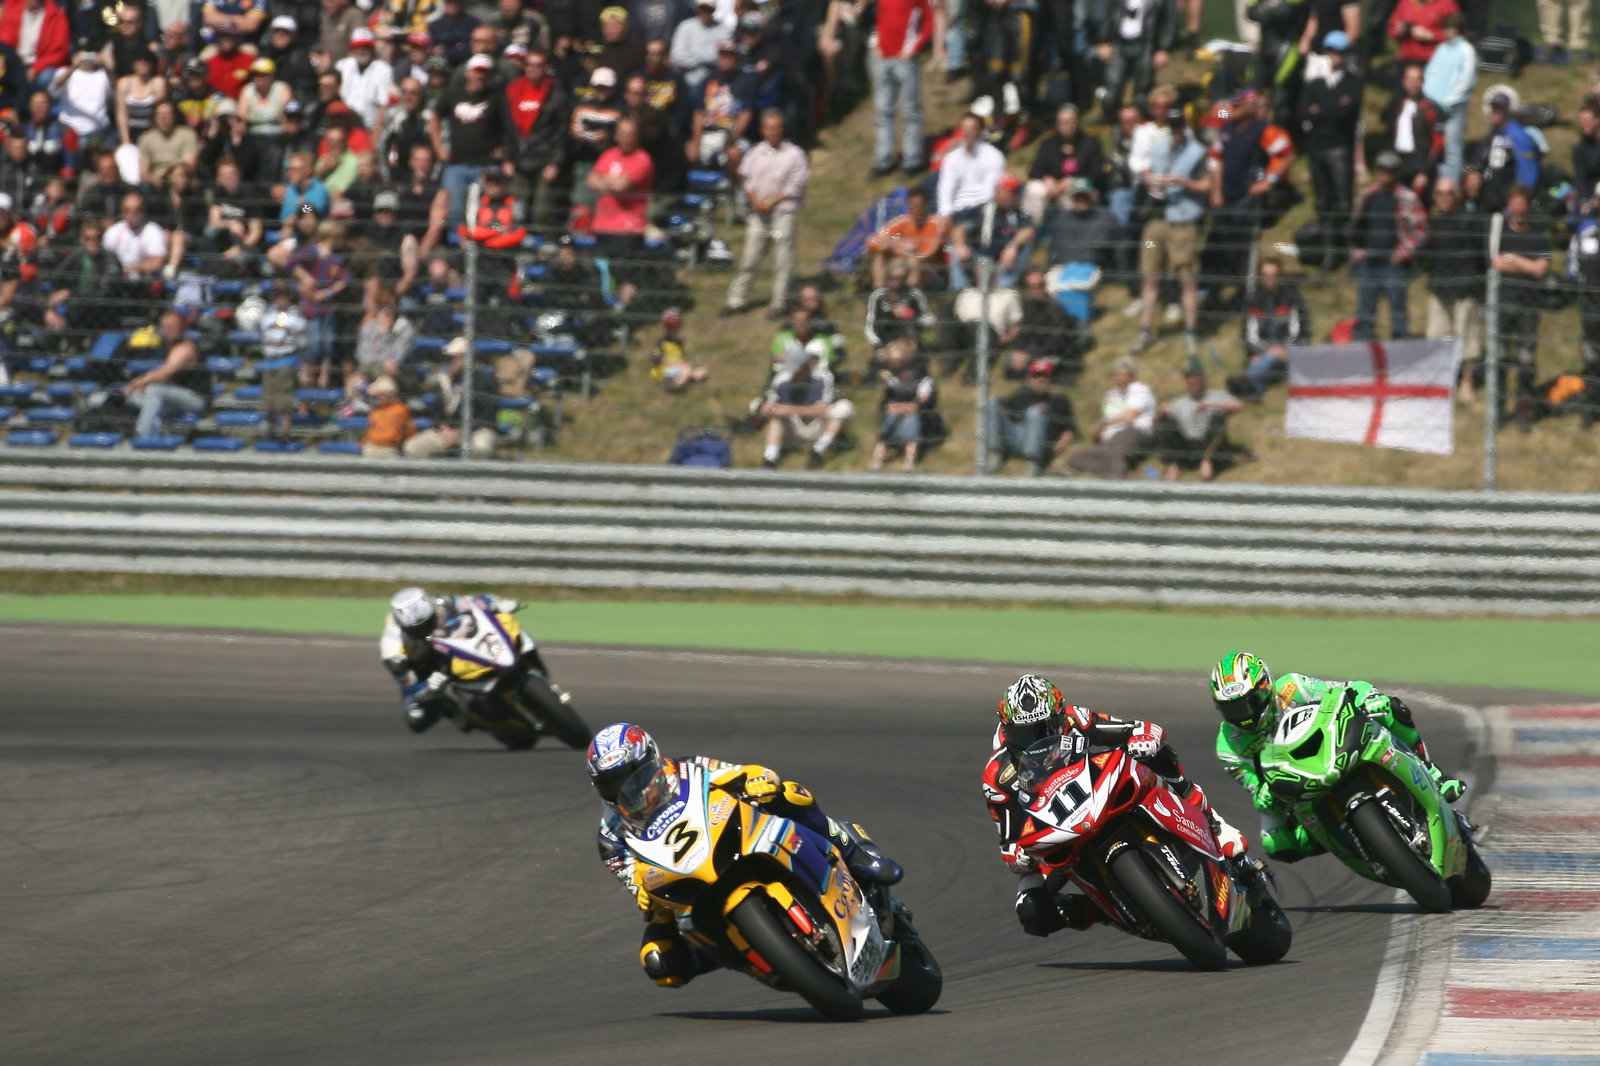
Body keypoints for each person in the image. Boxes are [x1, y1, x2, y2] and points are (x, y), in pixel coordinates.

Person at [587, 722, 902, 987]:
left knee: (791, 793)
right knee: (659, 962)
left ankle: (855, 853)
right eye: (611, 784)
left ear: (653, 760)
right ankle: (758, 955)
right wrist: (643, 892)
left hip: (728, 840)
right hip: (681, 883)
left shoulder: (686, 769)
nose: (627, 790)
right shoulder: (610, 838)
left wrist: (756, 780)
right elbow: (635, 882)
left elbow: (738, 773)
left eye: (634, 776)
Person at [982, 674, 1248, 938]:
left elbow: (1141, 729)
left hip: (1093, 793)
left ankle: (1213, 822)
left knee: (1158, 754)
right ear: (1005, 728)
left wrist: (1143, 739)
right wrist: (1017, 856)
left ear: (1059, 717)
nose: (1033, 741)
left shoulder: (1076, 720)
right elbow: (1009, 841)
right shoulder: (997, 777)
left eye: (1042, 729)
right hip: (1055, 830)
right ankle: (1106, 912)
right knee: (1032, 912)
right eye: (1022, 733)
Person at [1210, 650, 1465, 864]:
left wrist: (1369, 698)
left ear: (1266, 686)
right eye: (1233, 709)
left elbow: (1348, 688)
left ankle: (1432, 773)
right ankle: (1351, 841)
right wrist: (1262, 793)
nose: (1245, 715)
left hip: (1332, 745)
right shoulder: (1227, 744)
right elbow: (1253, 786)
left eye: (1251, 702)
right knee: (1277, 844)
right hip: (1289, 781)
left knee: (1391, 708)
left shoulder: (1292, 687)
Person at [380, 587, 533, 732]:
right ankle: (459, 714)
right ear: (403, 626)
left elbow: (471, 601)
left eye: (429, 622)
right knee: (416, 718)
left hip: (450, 646)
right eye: (418, 628)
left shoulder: (439, 603)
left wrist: (496, 602)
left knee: (501, 625)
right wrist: (428, 690)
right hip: (423, 667)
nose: (425, 629)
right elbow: (408, 682)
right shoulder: (393, 649)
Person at [1133, 106, 1208, 357]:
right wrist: (1150, 181)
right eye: (1171, 126)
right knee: (1149, 276)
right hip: (1156, 222)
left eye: (1178, 126)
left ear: (1184, 127)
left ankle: (1190, 333)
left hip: (1183, 223)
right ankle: (1144, 330)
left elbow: (1208, 184)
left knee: (1187, 278)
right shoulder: (1158, 149)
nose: (1175, 131)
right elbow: (1150, 175)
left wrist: (1184, 182)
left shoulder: (1198, 152)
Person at [721, 109, 808, 319]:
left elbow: (796, 184)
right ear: (762, 130)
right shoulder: (755, 153)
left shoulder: (795, 155)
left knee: (782, 258)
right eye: (769, 128)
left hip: (782, 215)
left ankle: (780, 303)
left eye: (776, 128)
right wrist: (755, 200)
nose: (773, 132)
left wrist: (773, 200)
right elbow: (746, 178)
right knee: (750, 257)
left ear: (782, 129)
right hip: (759, 216)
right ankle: (736, 300)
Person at [1297, 31, 1361, 268]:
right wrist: (1331, 109)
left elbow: (1346, 113)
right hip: (1317, 147)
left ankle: (1348, 250)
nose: (1336, 55)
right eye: (1332, 51)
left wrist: (1319, 111)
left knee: (1343, 202)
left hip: (1340, 147)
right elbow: (1302, 112)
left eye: (1341, 51)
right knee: (1323, 201)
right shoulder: (1316, 82)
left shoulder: (1353, 82)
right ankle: (1328, 250)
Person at [1348, 150, 1426, 342]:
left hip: (1394, 263)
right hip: (1368, 261)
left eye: (1389, 172)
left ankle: (1400, 344)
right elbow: (1354, 227)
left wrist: (1403, 252)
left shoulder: (1407, 198)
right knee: (1365, 310)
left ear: (1396, 174)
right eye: (1381, 171)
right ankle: (1363, 345)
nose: (1385, 176)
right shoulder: (1367, 195)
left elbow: (1420, 230)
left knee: (1398, 309)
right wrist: (1358, 253)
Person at [1420, 177, 1485, 403]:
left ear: (1457, 195)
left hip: (1466, 290)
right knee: (1435, 336)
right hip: (1439, 290)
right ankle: (1441, 381)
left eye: (1449, 193)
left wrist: (1476, 285)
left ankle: (1466, 382)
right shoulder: (1434, 223)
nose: (1444, 198)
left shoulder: (1471, 221)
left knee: (1467, 338)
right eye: (1439, 194)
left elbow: (1481, 256)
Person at [1493, 186, 1552, 430]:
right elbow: (1497, 263)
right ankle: (1498, 410)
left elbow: (1541, 270)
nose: (1518, 208)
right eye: (1514, 203)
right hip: (1503, 303)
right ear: (1509, 205)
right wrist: (1528, 264)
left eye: (1522, 203)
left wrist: (1514, 259)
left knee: (1526, 360)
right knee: (1499, 359)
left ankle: (1522, 410)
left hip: (1529, 306)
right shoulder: (1500, 234)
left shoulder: (1539, 236)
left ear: (1528, 206)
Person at [759, 342, 853, 469]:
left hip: (818, 427)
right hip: (792, 428)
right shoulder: (781, 379)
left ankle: (818, 451)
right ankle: (770, 459)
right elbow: (769, 405)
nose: (793, 374)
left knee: (844, 407)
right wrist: (767, 409)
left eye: (796, 371)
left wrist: (790, 409)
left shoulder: (822, 378)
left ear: (806, 367)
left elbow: (823, 411)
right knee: (775, 419)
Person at [868, 0, 934, 178]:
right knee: (883, 111)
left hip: (905, 60)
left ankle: (912, 160)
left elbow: (929, 22)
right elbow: (878, 17)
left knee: (910, 111)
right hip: (883, 59)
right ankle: (883, 160)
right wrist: (876, 44)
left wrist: (914, 48)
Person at [125, 307, 211, 439]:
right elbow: (161, 374)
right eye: (164, 327)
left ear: (181, 327)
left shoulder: (186, 346)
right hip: (173, 398)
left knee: (153, 391)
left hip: (195, 399)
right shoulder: (167, 346)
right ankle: (151, 433)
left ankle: (143, 435)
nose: (167, 330)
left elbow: (166, 372)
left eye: (172, 326)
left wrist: (138, 383)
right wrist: (137, 385)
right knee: (135, 396)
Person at [1066, 355, 1156, 479]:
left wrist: (1102, 424)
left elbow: (1130, 416)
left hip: (1133, 432)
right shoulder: (1111, 395)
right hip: (1109, 442)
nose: (1120, 377)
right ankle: (1121, 474)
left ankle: (1117, 478)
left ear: (1131, 375)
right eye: (1117, 374)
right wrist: (1097, 433)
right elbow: (1106, 427)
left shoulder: (1139, 389)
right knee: (1076, 459)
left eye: (1124, 374)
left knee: (1116, 452)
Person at [986, 356, 1075, 476]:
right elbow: (999, 412)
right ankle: (996, 454)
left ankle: (1034, 464)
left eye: (1045, 376)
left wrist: (1063, 441)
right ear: (1029, 379)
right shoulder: (1020, 396)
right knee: (991, 402)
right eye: (1036, 376)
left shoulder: (1059, 401)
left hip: (1041, 444)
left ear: (1051, 379)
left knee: (1035, 411)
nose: (1040, 380)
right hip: (1016, 439)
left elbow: (1069, 429)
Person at [1156, 361, 1243, 481]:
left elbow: (1238, 406)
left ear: (1203, 377)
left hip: (1210, 446)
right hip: (1187, 447)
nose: (1192, 380)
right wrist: (1160, 413)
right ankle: (1173, 465)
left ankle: (1206, 462)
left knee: (1218, 417)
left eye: (1195, 376)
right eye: (1188, 377)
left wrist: (1209, 405)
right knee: (1166, 419)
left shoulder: (1217, 395)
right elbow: (1155, 425)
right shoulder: (1179, 401)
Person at [1237, 256, 1310, 397]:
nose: (1270, 279)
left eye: (1274, 275)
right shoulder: (1253, 300)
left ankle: (1250, 383)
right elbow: (1248, 335)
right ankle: (1255, 387)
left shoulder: (1292, 298)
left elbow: (1300, 332)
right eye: (1266, 275)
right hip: (1265, 352)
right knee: (1267, 358)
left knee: (1268, 359)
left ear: (1280, 276)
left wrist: (1282, 349)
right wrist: (1261, 351)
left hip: (1291, 351)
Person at [1022, 104, 1106, 223]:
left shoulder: (1090, 144)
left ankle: (1070, 232)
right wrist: (1046, 179)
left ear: (1077, 122)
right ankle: (1030, 229)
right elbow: (1034, 170)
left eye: (1071, 122)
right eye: (1063, 122)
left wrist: (1074, 180)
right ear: (1057, 124)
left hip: (1078, 187)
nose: (1068, 126)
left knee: (1075, 195)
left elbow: (1097, 174)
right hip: (1052, 187)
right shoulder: (1048, 143)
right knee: (1034, 189)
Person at [1096, 0, 1175, 123]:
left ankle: (1141, 123)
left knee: (1141, 95)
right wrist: (1104, 42)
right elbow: (1109, 15)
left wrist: (1164, 48)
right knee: (1111, 92)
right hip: (1119, 44)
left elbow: (1171, 22)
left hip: (1146, 44)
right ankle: (1114, 122)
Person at [871, 336, 937, 471]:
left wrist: (914, 406)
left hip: (913, 408)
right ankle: (877, 458)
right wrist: (888, 407)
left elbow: (925, 398)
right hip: (894, 406)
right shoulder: (891, 373)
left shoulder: (921, 374)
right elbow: (887, 395)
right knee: (886, 428)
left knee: (912, 424)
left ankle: (909, 460)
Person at [1421, 14, 1473, 184]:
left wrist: (1448, 101)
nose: (1443, 32)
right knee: (1434, 147)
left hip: (1454, 110)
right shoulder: (1441, 48)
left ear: (1455, 30)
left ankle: (1452, 184)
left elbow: (1466, 81)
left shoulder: (1466, 50)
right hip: (1433, 107)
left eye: (1446, 29)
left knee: (1453, 150)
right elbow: (1430, 73)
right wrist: (1429, 97)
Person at [1377, 64, 1441, 197]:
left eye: (1417, 80)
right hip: (1398, 163)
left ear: (1422, 82)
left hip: (1418, 164)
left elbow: (1439, 144)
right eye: (1409, 80)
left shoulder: (1430, 109)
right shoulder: (1397, 106)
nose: (1413, 84)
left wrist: (1425, 171)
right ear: (1403, 82)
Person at [864, 186, 946, 289]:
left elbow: (928, 254)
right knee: (880, 254)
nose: (914, 209)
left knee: (913, 261)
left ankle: (911, 292)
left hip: (928, 269)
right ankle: (880, 291)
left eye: (918, 206)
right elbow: (873, 241)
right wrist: (896, 244)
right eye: (911, 205)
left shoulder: (936, 223)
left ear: (925, 205)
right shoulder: (901, 222)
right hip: (901, 262)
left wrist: (902, 249)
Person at [1474, 91, 1540, 215]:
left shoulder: (1519, 136)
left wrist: (1517, 204)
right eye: (1493, 108)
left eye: (1499, 109)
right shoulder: (1493, 133)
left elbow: (1527, 173)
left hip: (1506, 204)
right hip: (1488, 200)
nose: (1494, 112)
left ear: (1508, 110)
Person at [863, 261, 936, 357]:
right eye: (892, 277)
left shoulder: (914, 294)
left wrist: (909, 314)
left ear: (906, 277)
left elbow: (930, 321)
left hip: (910, 345)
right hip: (885, 344)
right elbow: (869, 328)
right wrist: (879, 346)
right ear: (886, 276)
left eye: (900, 278)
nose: (896, 282)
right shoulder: (877, 296)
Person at [650, 306, 708, 391]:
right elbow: (657, 359)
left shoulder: (679, 343)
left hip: (679, 368)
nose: (671, 329)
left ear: (679, 326)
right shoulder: (661, 342)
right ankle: (675, 387)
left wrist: (688, 364)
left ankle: (686, 380)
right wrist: (678, 364)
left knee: (701, 371)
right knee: (686, 370)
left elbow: (681, 358)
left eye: (674, 327)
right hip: (663, 370)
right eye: (668, 327)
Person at [360, 375, 416, 456]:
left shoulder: (400, 409)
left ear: (390, 394)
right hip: (371, 446)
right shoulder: (375, 411)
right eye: (377, 395)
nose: (378, 397)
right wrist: (364, 443)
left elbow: (409, 431)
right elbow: (369, 430)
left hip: (389, 448)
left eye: (381, 394)